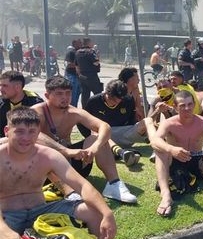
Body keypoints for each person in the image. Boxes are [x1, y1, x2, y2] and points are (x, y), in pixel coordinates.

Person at [0, 107, 151, 239]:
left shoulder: (47, 155)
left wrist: (107, 213)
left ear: (38, 132)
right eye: (19, 131)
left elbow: (83, 186)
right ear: (7, 131)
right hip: (7, 214)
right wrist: (4, 232)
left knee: (93, 210)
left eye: (32, 132)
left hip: (41, 210)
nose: (26, 137)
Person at [32, 76, 138, 204]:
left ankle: (113, 184)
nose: (65, 97)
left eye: (68, 93)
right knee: (45, 151)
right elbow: (33, 134)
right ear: (47, 95)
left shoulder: (74, 112)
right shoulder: (36, 112)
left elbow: (105, 127)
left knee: (96, 138)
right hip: (44, 171)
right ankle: (69, 192)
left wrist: (94, 148)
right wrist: (65, 151)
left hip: (72, 166)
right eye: (59, 94)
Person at [80, 79, 146, 167]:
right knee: (101, 130)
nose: (113, 103)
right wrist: (89, 137)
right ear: (106, 92)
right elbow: (82, 122)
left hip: (123, 133)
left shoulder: (128, 100)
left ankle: (158, 147)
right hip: (100, 137)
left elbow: (131, 121)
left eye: (117, 101)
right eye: (111, 99)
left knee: (147, 122)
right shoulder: (94, 101)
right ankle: (121, 152)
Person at [0, 71, 43, 138]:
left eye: (5, 86)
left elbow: (40, 131)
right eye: (0, 85)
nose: (1, 89)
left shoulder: (35, 103)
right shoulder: (1, 102)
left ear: (17, 87)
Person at [75, 38, 102, 108]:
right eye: (91, 42)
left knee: (85, 95)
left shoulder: (78, 52)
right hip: (92, 76)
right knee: (98, 93)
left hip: (82, 76)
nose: (92, 44)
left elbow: (76, 66)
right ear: (88, 43)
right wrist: (98, 57)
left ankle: (85, 109)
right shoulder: (91, 51)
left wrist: (80, 75)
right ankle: (99, 109)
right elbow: (96, 62)